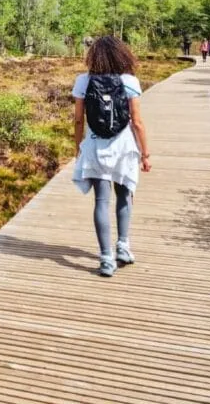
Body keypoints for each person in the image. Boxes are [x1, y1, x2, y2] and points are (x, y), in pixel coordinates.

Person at [71, 36, 151, 278]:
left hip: (95, 147)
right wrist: (145, 154)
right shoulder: (129, 81)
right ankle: (123, 247)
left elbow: (78, 119)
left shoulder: (83, 81)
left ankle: (106, 259)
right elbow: (137, 122)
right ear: (121, 55)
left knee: (101, 202)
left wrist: (78, 147)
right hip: (124, 147)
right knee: (125, 195)